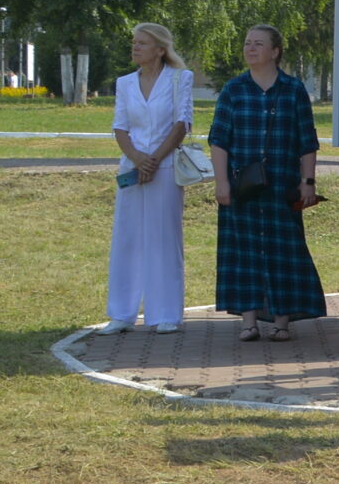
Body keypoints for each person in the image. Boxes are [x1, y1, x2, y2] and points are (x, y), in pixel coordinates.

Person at [209, 24, 327, 341]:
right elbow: (219, 141)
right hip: (242, 187)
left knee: (283, 253)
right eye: (248, 43)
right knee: (243, 252)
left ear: (275, 52)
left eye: (258, 44)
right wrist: (221, 183)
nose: (251, 48)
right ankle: (248, 323)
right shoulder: (233, 90)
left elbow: (307, 142)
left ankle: (281, 323)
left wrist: (309, 182)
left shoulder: (293, 89)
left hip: (282, 186)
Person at [107, 22, 194, 334]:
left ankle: (166, 313)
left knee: (163, 239)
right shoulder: (125, 83)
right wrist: (137, 158)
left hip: (166, 167)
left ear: (160, 49)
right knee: (127, 239)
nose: (135, 48)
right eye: (134, 42)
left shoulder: (179, 79)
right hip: (132, 168)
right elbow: (120, 127)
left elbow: (181, 123)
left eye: (142, 43)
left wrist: (154, 160)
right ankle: (121, 313)